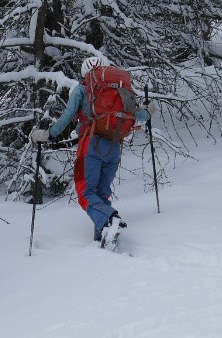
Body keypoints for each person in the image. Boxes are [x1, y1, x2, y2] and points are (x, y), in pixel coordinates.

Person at [30, 55, 149, 243]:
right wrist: (149, 110)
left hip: (91, 144)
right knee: (102, 192)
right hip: (114, 145)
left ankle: (110, 220)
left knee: (85, 191)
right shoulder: (119, 90)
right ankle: (103, 235)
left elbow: (67, 116)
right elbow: (141, 115)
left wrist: (48, 134)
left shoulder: (80, 90)